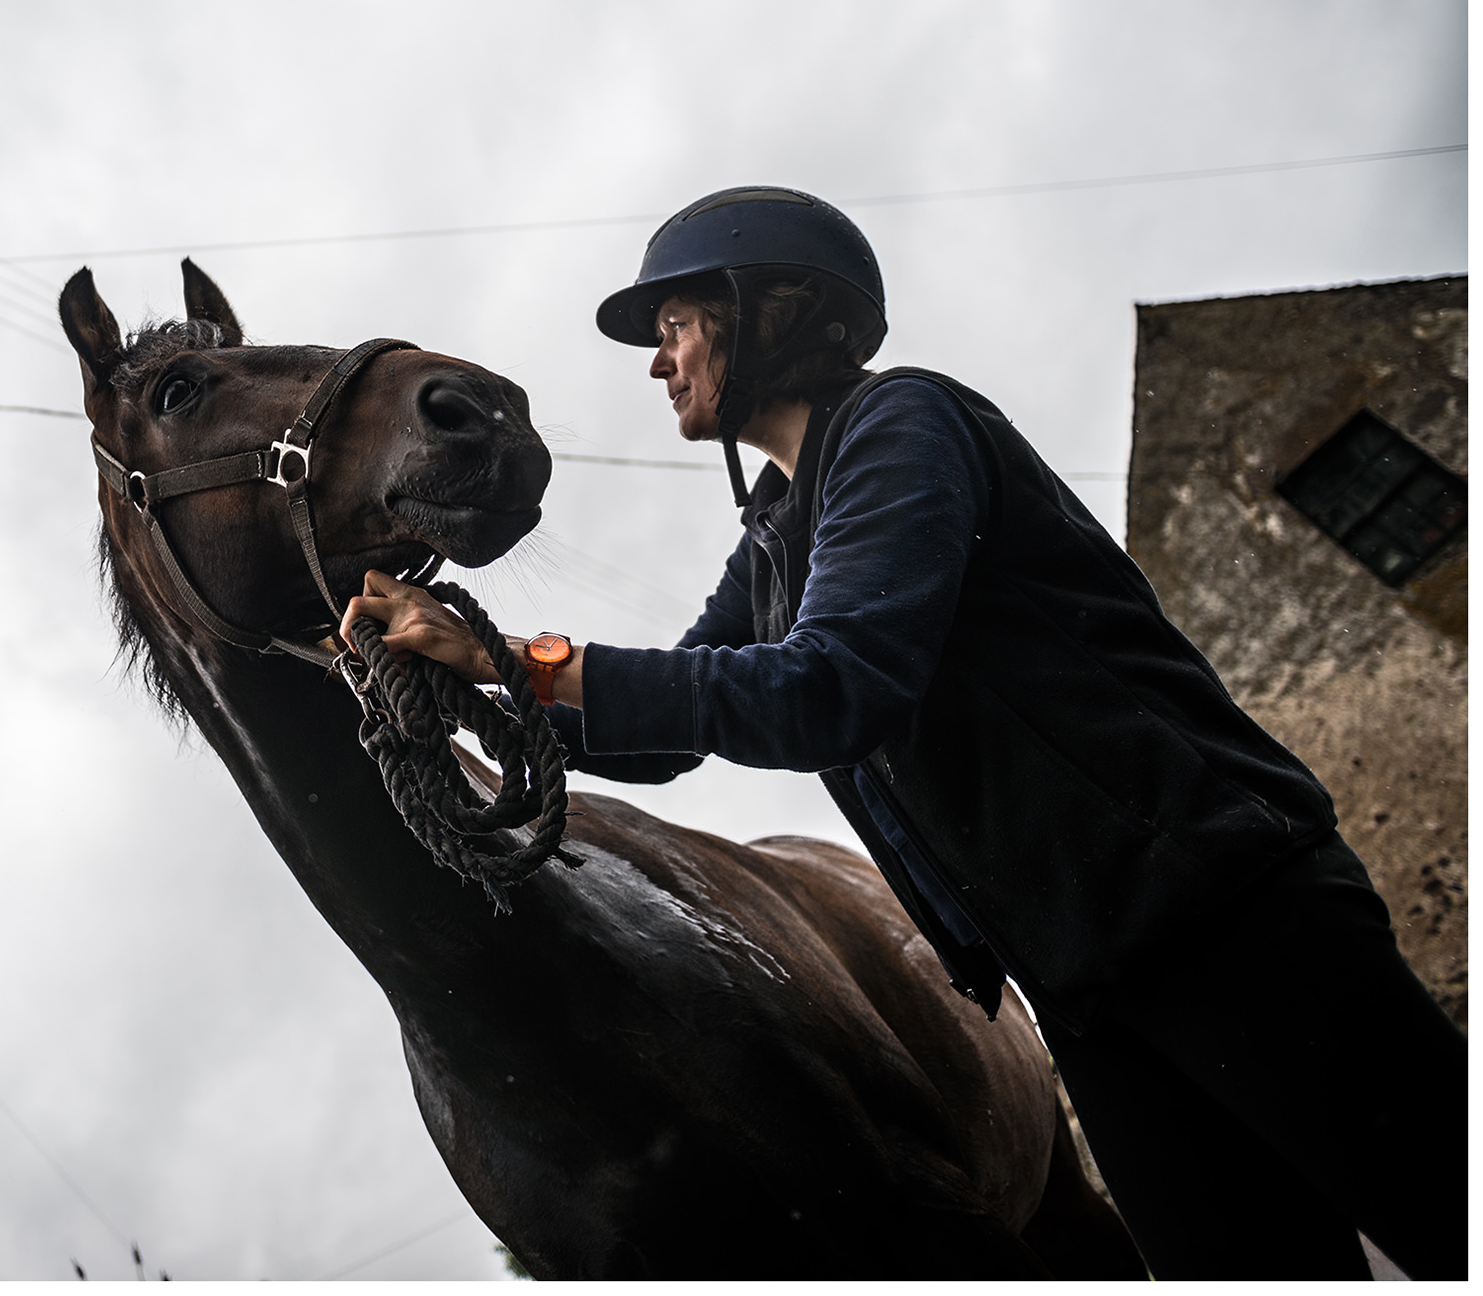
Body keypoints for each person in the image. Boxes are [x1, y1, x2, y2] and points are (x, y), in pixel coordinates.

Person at [341, 185, 1466, 1280]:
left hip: (1223, 910)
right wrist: (478, 685)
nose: (656, 357)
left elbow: (828, 686)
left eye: (675, 323)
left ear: (765, 307)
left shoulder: (902, 422)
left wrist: (505, 658)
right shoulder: (774, 535)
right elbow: (673, 727)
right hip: (1085, 991)